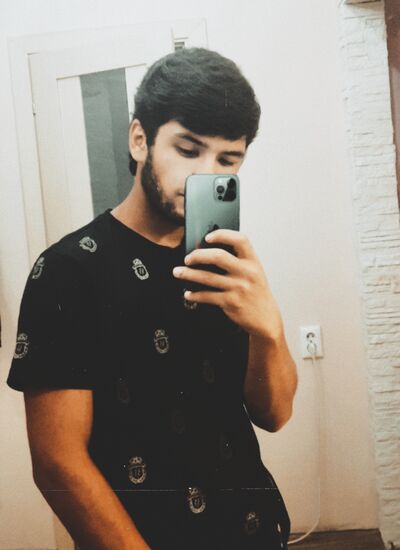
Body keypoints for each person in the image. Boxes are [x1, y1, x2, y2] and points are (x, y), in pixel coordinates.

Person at [7, 47, 298, 549]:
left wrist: (268, 330)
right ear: (140, 139)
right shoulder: (68, 271)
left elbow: (274, 415)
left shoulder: (224, 263)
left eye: (227, 160)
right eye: (188, 150)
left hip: (254, 530)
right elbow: (58, 463)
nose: (205, 173)